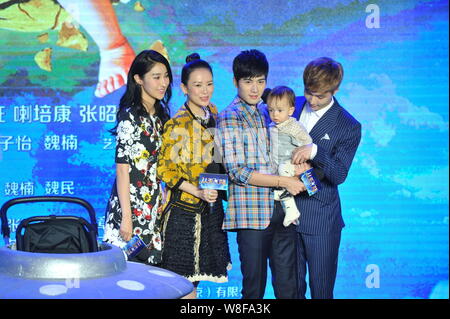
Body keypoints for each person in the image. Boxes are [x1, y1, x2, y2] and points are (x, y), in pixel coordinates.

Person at [215, 49, 304, 299]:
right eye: (248, 81)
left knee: (289, 289)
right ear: (235, 82)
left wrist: (301, 163)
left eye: (260, 81)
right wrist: (282, 180)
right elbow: (237, 171)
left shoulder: (271, 112)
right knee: (254, 291)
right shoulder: (229, 117)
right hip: (251, 215)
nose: (255, 89)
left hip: (283, 212)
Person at [157, 53, 231, 299]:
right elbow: (165, 171)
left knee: (197, 281)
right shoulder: (177, 123)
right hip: (185, 211)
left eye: (209, 84)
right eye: (197, 85)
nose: (205, 90)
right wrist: (197, 191)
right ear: (184, 88)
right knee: (181, 284)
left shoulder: (212, 111)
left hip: (210, 208)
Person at [291, 57, 361, 299]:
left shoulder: (348, 125)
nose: (312, 100)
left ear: (335, 89)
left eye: (320, 96)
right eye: (308, 93)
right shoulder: (292, 105)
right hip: (285, 216)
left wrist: (316, 151)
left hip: (320, 219)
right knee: (289, 290)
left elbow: (339, 174)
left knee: (320, 292)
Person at [103, 49, 173, 265]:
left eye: (166, 76)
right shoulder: (130, 115)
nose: (163, 83)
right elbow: (122, 169)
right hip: (130, 209)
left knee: (149, 276)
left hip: (153, 207)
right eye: (156, 77)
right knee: (125, 275)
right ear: (138, 79)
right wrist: (126, 218)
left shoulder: (161, 116)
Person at [266, 86, 312, 227]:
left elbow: (307, 143)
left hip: (290, 163)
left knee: (283, 170)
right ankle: (283, 200)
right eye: (271, 110)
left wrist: (302, 159)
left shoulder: (293, 126)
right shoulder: (271, 126)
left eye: (280, 110)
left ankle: (291, 210)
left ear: (291, 111)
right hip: (276, 162)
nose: (275, 114)